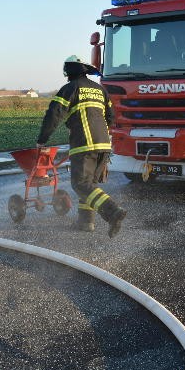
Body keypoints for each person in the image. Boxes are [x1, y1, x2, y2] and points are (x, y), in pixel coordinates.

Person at [36, 55, 127, 238]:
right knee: (90, 184)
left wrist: (42, 139)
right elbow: (111, 116)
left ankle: (112, 212)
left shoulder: (70, 88)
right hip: (103, 145)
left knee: (80, 184)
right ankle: (86, 222)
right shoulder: (100, 90)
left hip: (84, 144)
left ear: (69, 71)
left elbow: (54, 114)